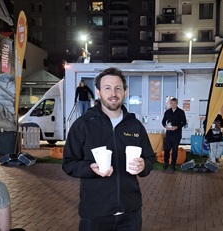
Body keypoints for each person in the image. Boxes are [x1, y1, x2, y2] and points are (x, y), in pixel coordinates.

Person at [63, 67, 155, 231]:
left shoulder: (135, 125)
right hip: (95, 213)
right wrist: (89, 168)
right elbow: (68, 163)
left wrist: (144, 166)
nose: (113, 93)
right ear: (98, 92)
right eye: (107, 88)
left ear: (125, 92)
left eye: (118, 88)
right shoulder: (83, 125)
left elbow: (149, 158)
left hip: (130, 213)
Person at [161, 97, 187, 171]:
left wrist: (177, 127)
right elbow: (163, 121)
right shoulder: (167, 112)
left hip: (177, 134)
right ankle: (166, 163)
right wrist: (165, 126)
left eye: (174, 103)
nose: (172, 105)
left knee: (175, 150)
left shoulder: (181, 112)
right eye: (171, 103)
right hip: (169, 134)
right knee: (166, 149)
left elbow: (184, 122)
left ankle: (173, 165)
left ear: (177, 103)